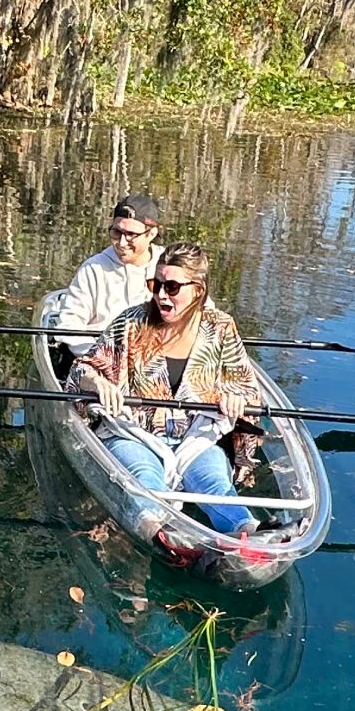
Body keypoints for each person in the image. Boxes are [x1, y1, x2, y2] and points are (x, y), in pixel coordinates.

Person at [68, 243, 264, 537]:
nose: (160, 294)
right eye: (155, 284)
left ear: (198, 289)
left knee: (216, 484)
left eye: (171, 287)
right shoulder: (132, 321)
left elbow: (246, 389)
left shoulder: (221, 328)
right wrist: (98, 383)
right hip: (133, 434)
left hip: (197, 437)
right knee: (146, 479)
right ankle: (160, 534)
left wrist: (236, 398)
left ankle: (247, 532)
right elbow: (81, 369)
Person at [47, 193, 162, 376]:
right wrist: (101, 360)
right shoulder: (93, 269)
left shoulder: (169, 267)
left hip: (153, 365)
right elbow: (69, 324)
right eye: (117, 232)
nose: (122, 243)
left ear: (152, 234)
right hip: (97, 363)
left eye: (131, 234)